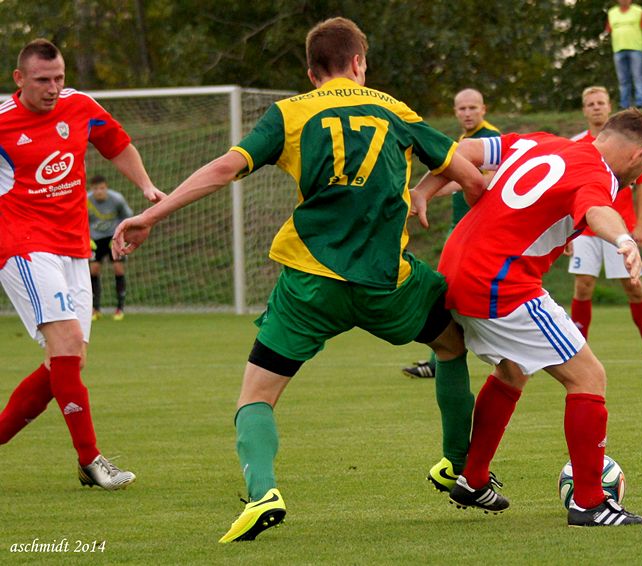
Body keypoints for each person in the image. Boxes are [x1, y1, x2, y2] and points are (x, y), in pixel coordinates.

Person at [111, 17, 487, 543]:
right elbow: (472, 178)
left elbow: (224, 168)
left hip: (310, 287)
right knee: (450, 346)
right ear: (360, 63)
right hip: (389, 283)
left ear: (312, 73)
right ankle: (457, 467)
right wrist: (425, 194)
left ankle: (264, 491)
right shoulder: (395, 110)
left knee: (256, 398)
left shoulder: (288, 113)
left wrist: (151, 216)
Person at [409, 108, 642, 525]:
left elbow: (463, 150)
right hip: (500, 283)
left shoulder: (542, 142)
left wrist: (424, 189)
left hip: (456, 269)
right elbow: (598, 209)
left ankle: (472, 479)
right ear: (637, 156)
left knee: (512, 372)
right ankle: (589, 503)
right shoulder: (598, 175)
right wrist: (623, 238)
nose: (637, 177)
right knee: (588, 377)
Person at [0, 39, 165, 489]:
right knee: (68, 341)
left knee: (66, 362)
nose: (53, 88)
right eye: (42, 80)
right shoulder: (3, 122)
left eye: (59, 78)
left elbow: (117, 144)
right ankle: (92, 461)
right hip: (23, 245)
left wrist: (148, 189)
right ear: (19, 79)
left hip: (73, 246)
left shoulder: (79, 106)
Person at [567, 86, 642, 371]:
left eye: (601, 102)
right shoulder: (578, 143)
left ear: (609, 107)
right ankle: (577, 356)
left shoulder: (629, 145)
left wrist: (641, 224)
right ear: (584, 109)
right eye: (591, 103)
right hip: (586, 228)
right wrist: (566, 229)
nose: (596, 107)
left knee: (634, 287)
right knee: (583, 286)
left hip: (619, 228)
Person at [402, 88, 500, 379]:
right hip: (463, 228)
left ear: (484, 108)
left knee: (449, 291)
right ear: (455, 112)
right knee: (450, 292)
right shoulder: (465, 140)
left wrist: (427, 193)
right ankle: (444, 357)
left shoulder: (488, 137)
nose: (467, 113)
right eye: (462, 109)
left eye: (472, 107)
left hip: (480, 229)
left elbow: (487, 179)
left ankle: (443, 359)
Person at [87, 175, 133, 321]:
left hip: (113, 238)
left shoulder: (117, 199)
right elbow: (80, 220)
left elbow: (128, 218)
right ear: (91, 189)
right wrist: (87, 239)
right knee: (93, 270)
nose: (99, 191)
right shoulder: (85, 201)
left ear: (106, 187)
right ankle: (95, 308)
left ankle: (120, 308)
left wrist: (120, 237)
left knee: (118, 268)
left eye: (102, 188)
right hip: (95, 240)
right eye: (95, 189)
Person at [606, 0, 642, 108]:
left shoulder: (638, 11)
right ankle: (624, 104)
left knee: (637, 76)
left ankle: (640, 103)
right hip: (618, 49)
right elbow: (609, 29)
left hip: (635, 48)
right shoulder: (612, 13)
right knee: (623, 79)